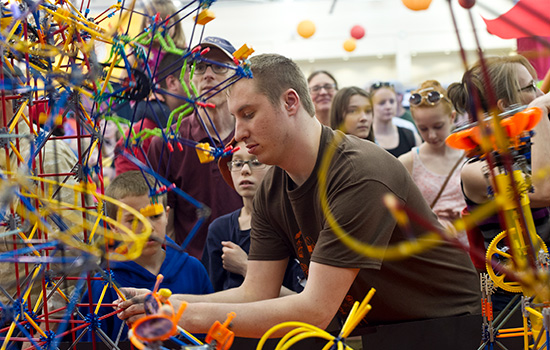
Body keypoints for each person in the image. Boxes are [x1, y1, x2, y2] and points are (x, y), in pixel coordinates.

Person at [116, 54, 481, 343]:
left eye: (248, 114)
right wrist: (167, 301)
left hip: (448, 325)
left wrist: (183, 315)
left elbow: (316, 309)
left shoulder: (358, 172)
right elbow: (256, 292)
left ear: (290, 102)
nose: (239, 133)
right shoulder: (273, 185)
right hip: (379, 329)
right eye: (235, 118)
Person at [447, 55, 550, 309]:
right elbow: (541, 190)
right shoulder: (474, 170)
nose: (539, 92)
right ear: (504, 105)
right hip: (516, 302)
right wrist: (538, 113)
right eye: (529, 88)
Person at [80, 171, 213, 341]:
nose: (147, 227)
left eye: (155, 216)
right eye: (132, 220)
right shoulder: (102, 286)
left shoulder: (194, 270)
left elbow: (212, 334)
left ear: (166, 215)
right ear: (113, 226)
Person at [146, 36, 243, 258]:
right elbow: (161, 219)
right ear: (189, 78)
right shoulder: (166, 144)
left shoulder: (254, 136)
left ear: (237, 76)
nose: (208, 74)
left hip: (254, 266)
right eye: (199, 67)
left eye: (218, 67)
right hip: (194, 269)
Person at [202, 140, 305, 292]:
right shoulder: (219, 230)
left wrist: (245, 267)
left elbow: (302, 301)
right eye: (237, 163)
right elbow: (212, 296)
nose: (245, 170)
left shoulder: (293, 224)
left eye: (255, 163)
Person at [398, 80, 467, 245]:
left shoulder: (469, 154)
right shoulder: (408, 162)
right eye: (423, 129)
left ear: (452, 117)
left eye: (438, 126)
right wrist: (431, 220)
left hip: (472, 246)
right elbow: (399, 215)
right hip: (434, 248)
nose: (432, 135)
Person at [115, 52, 189, 175]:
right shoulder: (138, 134)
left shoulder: (202, 125)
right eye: (193, 72)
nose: (201, 78)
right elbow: (128, 190)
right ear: (172, 83)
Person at [370, 82, 421, 157]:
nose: (388, 106)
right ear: (371, 106)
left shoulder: (410, 135)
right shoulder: (365, 137)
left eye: (391, 101)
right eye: (382, 103)